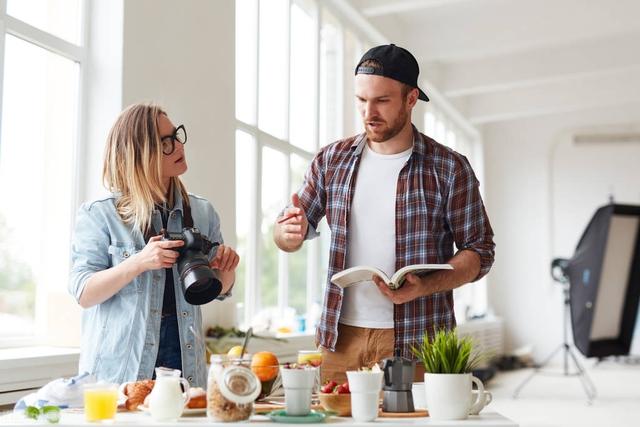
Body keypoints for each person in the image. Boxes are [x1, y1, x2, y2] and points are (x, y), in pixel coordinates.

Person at [273, 44, 495, 383]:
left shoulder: (449, 168)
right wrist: (287, 234)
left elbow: (480, 251)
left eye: (382, 101)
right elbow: (289, 232)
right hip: (340, 337)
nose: (368, 112)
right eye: (361, 100)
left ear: (410, 99)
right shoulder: (331, 160)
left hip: (420, 338)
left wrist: (424, 286)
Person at [69, 103, 238, 387]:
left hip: (185, 362)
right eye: (166, 142)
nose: (179, 146)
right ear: (140, 153)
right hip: (120, 373)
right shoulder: (100, 214)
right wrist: (138, 262)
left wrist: (228, 268)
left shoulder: (201, 212)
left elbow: (218, 290)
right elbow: (84, 292)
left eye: (176, 135)